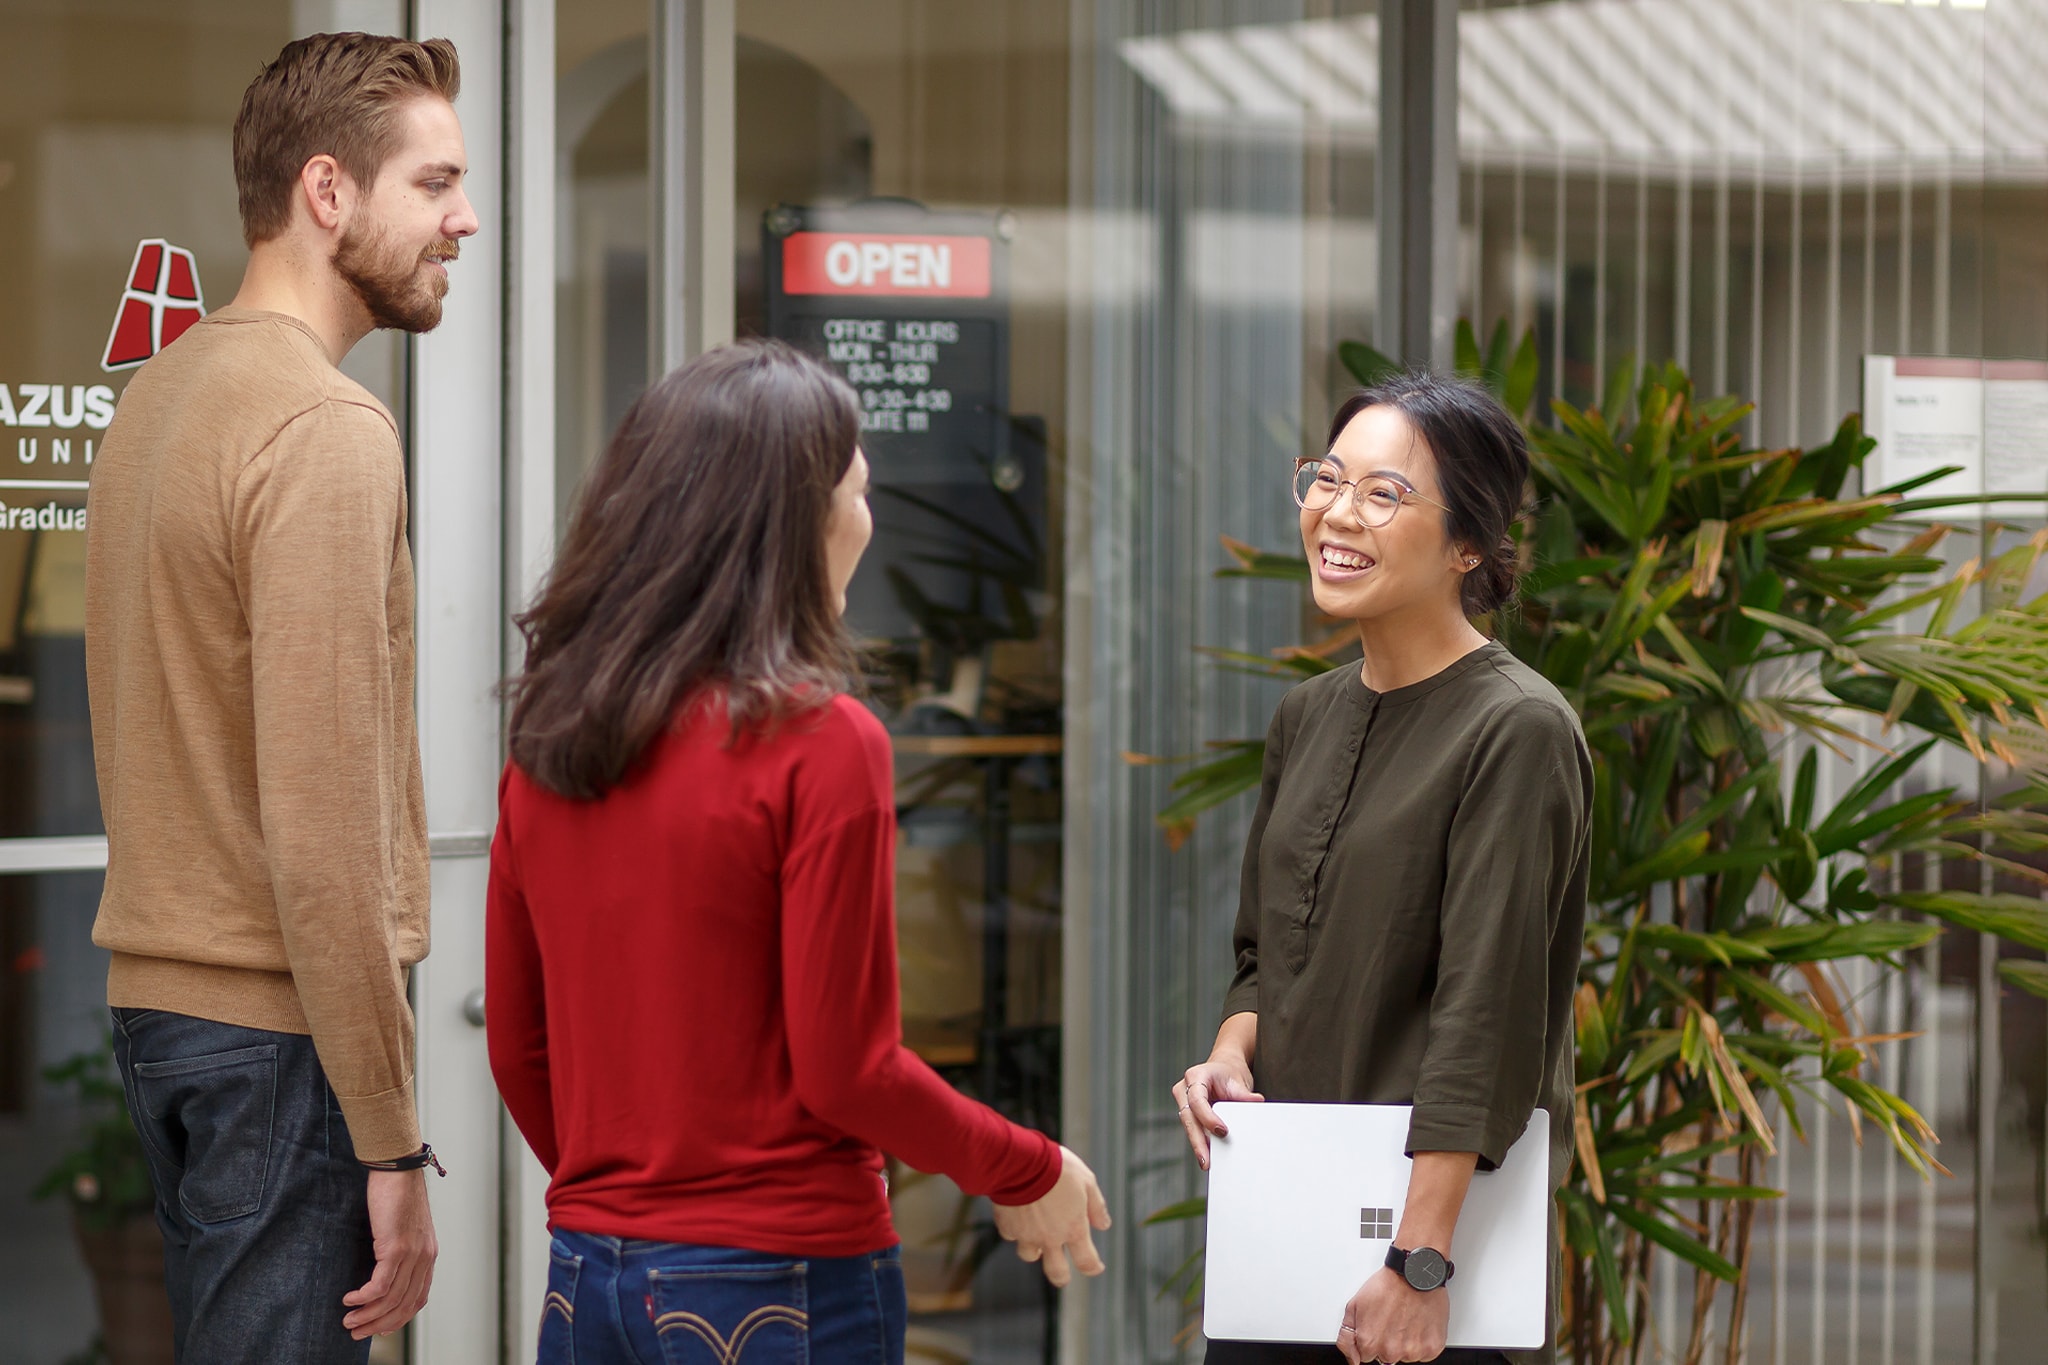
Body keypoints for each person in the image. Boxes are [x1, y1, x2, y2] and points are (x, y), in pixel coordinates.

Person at [487, 339, 1111, 1365]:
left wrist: (639, 1203)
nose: (867, 521)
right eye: (858, 492)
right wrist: (1024, 1165)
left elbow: (518, 1047)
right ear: (800, 522)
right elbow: (848, 1069)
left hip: (589, 1275)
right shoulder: (820, 741)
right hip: (778, 1279)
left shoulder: (550, 742)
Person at [84, 32, 478, 1362]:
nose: (462, 220)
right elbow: (322, 829)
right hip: (275, 1045)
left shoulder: (159, 399)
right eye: (432, 184)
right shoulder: (323, 430)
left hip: (167, 1020)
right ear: (328, 192)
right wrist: (393, 1139)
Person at [1175, 374, 1592, 1365]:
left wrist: (1418, 1264)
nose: (1336, 513)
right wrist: (1231, 1052)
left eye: (1382, 493)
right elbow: (1261, 954)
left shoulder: (1516, 727)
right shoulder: (1305, 717)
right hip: (1278, 1232)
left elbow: (1483, 1015)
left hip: (1414, 1264)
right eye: (1327, 479)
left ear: (1470, 548)